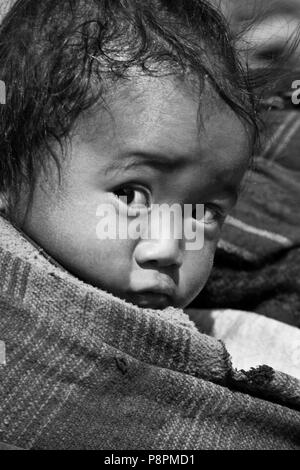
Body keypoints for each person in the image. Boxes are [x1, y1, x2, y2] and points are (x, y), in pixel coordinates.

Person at [0, 0, 299, 450]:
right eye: (130, 196)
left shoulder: (234, 342)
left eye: (204, 213)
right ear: (9, 171)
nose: (168, 247)